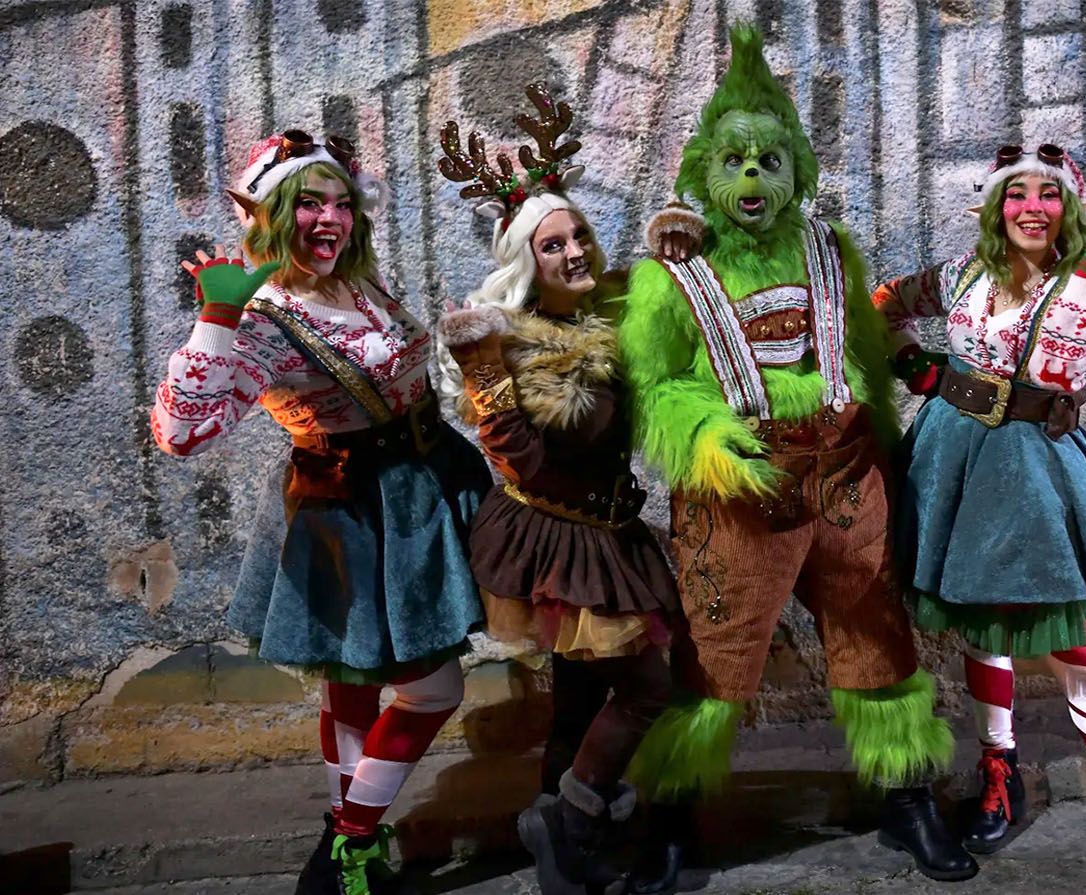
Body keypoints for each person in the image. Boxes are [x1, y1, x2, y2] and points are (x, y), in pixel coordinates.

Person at [616, 24, 976, 886]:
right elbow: (652, 386)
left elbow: (858, 347)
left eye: (768, 162)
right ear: (706, 172)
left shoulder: (829, 250)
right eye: (736, 162)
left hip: (845, 475)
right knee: (712, 657)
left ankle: (906, 800)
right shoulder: (670, 274)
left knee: (877, 640)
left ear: (796, 172)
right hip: (740, 485)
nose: (752, 179)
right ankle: (670, 823)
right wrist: (705, 437)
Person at [153, 130, 489, 894]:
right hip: (357, 512)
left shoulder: (353, 281)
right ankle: (353, 831)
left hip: (419, 485)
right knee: (434, 690)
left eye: (340, 201)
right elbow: (179, 431)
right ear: (271, 212)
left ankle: (345, 856)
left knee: (353, 685)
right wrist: (216, 317)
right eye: (308, 203)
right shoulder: (265, 317)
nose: (329, 217)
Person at [871, 143, 1086, 871]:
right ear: (995, 206)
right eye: (1018, 196)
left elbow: (1056, 368)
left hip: (1034, 463)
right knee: (982, 618)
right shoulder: (959, 274)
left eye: (1050, 196)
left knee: (1066, 633)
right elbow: (884, 302)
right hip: (954, 455)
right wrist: (916, 367)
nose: (1033, 209)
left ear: (1067, 208)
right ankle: (998, 770)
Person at [433, 84, 701, 895]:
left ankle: (564, 846)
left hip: (613, 526)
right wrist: (481, 364)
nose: (577, 251)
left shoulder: (612, 310)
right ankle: (570, 815)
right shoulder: (510, 347)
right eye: (554, 246)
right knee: (651, 685)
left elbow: (669, 292)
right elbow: (515, 455)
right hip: (557, 532)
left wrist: (681, 246)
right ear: (527, 262)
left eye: (580, 234)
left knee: (583, 694)